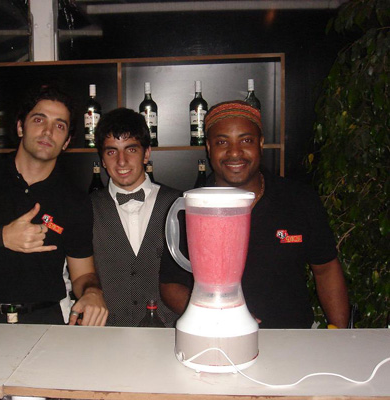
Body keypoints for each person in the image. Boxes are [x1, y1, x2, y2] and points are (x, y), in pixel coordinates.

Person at [159, 100, 350, 329]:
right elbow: (170, 285)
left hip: (292, 339)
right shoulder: (192, 207)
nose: (234, 152)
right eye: (222, 142)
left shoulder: (299, 199)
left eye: (246, 140)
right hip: (217, 335)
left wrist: (340, 333)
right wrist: (220, 316)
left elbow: (326, 269)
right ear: (209, 148)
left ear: (260, 143)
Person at [0, 85, 108, 326]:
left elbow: (83, 273)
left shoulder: (74, 199)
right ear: (20, 127)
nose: (48, 131)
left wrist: (92, 292)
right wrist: (2, 236)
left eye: (59, 126)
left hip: (44, 321)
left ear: (66, 141)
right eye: (39, 120)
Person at [91, 108, 179, 327]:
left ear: (146, 154)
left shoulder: (179, 205)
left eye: (131, 149)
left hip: (169, 333)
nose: (121, 161)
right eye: (111, 152)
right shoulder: (87, 208)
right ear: (102, 159)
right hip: (105, 334)